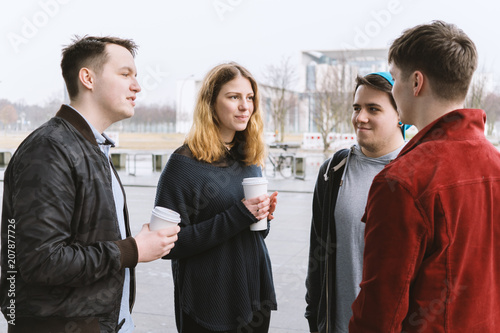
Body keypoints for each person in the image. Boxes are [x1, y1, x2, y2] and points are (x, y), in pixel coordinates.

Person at [0, 36, 180, 333]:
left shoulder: (92, 147)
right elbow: (42, 261)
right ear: (88, 78)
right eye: (125, 74)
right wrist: (133, 249)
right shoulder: (50, 149)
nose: (137, 86)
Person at [349, 21, 500, 332]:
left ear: (416, 82)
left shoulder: (402, 181)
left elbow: (380, 311)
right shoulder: (495, 164)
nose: (393, 89)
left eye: (395, 79)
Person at [154, 62, 278, 333]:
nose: (245, 106)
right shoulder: (183, 165)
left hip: (254, 296)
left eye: (250, 98)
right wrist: (239, 215)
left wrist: (262, 216)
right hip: (209, 304)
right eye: (234, 97)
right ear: (210, 103)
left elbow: (251, 233)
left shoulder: (249, 157)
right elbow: (167, 246)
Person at [305, 72, 406, 333]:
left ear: (400, 116)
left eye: (373, 109)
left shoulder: (418, 174)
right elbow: (317, 251)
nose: (360, 117)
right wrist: (314, 316)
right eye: (357, 108)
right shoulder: (333, 170)